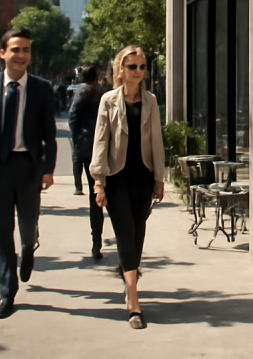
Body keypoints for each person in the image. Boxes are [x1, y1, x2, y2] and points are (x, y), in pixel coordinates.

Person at [0, 28, 57, 320]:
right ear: (3, 53)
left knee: (27, 225)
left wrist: (48, 170)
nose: (21, 56)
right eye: (16, 50)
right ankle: (7, 291)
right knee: (2, 230)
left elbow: (50, 134)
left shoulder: (42, 88)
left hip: (30, 168)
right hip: (0, 169)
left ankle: (29, 247)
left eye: (26, 50)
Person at [90, 45, 165, 330]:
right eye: (132, 66)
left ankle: (128, 278)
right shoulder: (108, 101)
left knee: (138, 232)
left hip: (143, 177)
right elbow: (100, 142)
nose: (137, 72)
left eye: (142, 67)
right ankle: (133, 299)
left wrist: (159, 178)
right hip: (117, 177)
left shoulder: (150, 101)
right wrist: (99, 182)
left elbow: (156, 140)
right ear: (121, 70)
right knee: (124, 231)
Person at [68, 64, 105, 259]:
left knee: (93, 194)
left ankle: (96, 242)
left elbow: (72, 117)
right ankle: (96, 242)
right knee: (96, 196)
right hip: (98, 149)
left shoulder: (81, 94)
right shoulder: (102, 94)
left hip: (84, 146)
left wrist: (76, 140)